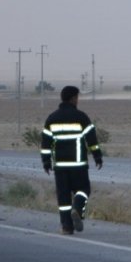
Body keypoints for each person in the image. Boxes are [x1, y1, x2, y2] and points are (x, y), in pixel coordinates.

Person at [41, 85, 103, 235]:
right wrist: (97, 156)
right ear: (73, 98)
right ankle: (78, 205)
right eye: (77, 97)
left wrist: (46, 162)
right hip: (78, 165)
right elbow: (91, 139)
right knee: (84, 190)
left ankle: (66, 227)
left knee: (63, 198)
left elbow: (45, 143)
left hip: (60, 166)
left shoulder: (52, 118)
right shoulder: (81, 117)